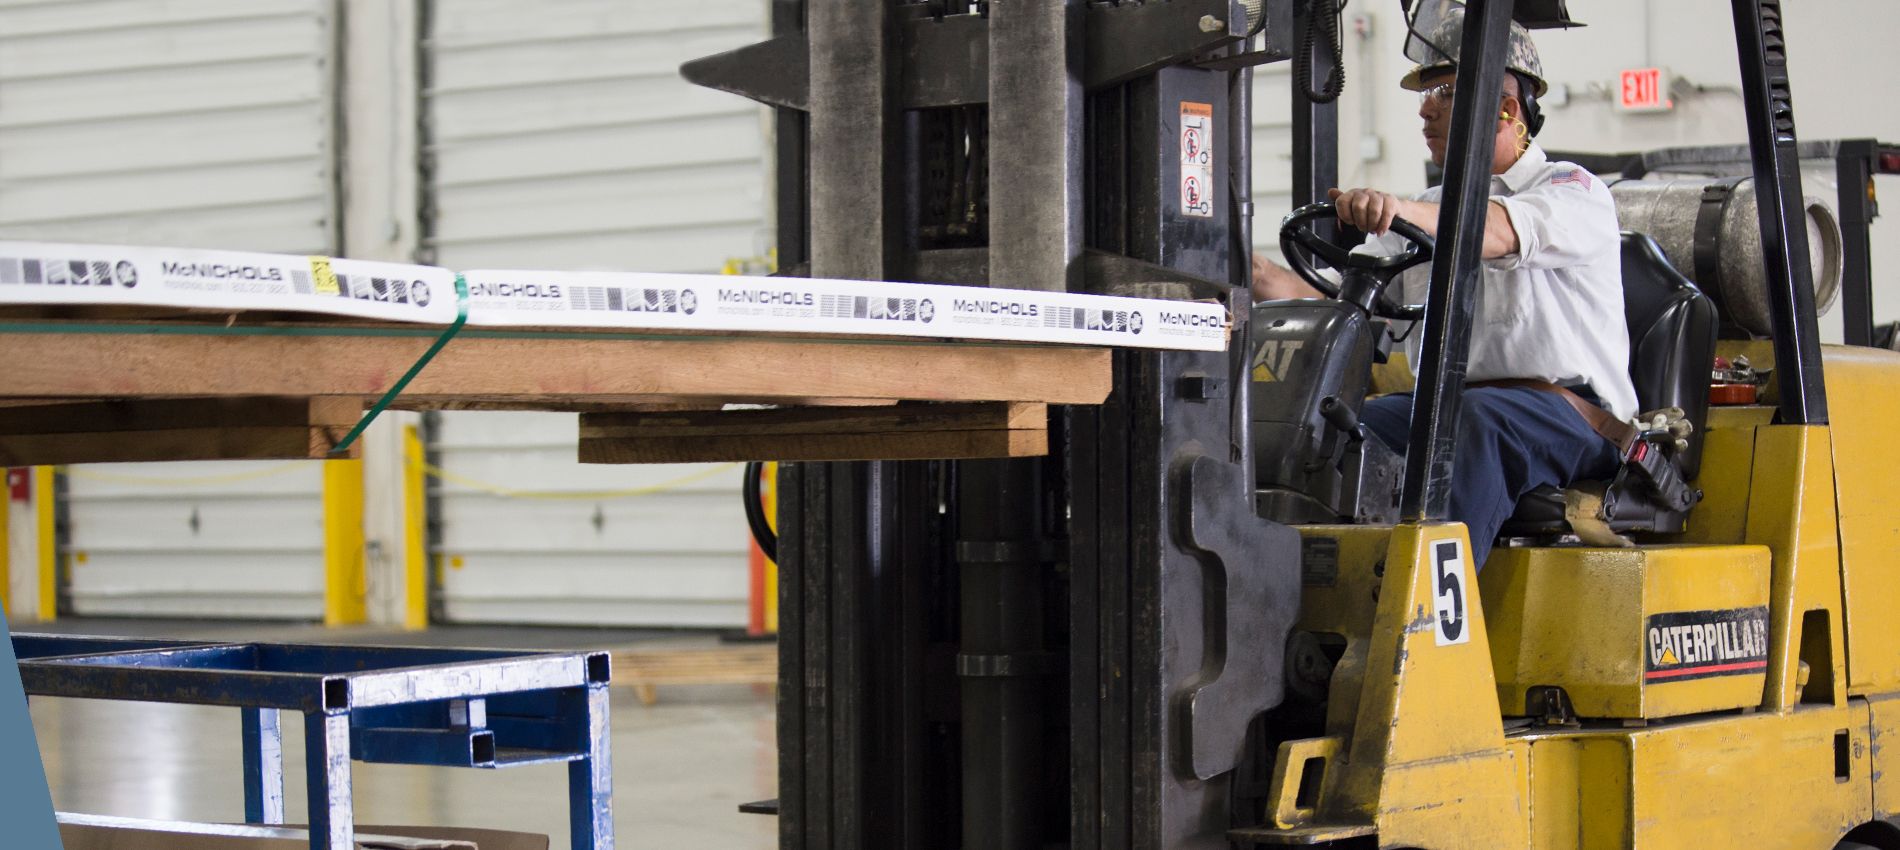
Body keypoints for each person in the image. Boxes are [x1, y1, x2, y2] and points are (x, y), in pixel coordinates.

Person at [1253, 10, 1635, 569]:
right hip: (1452, 400)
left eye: (1444, 91)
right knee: (1329, 427)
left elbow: (1498, 231)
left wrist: (1393, 209)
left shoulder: (1573, 192)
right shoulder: (1429, 211)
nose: (1424, 107)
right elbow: (1347, 311)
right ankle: (1308, 593)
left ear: (1506, 108)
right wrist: (1254, 278)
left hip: (1570, 413)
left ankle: (1426, 619)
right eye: (1426, 92)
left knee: (1477, 425)